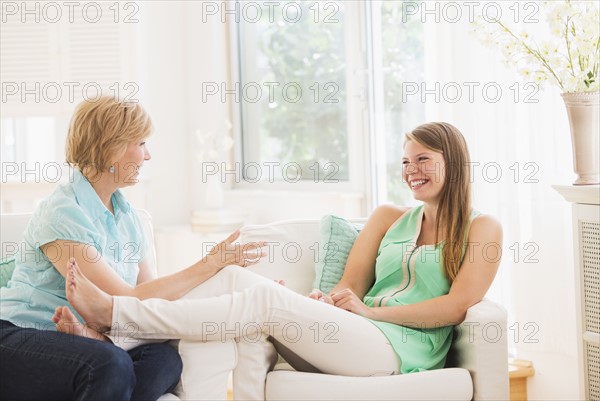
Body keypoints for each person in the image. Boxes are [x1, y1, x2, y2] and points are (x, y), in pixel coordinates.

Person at [53, 122, 503, 400]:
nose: (411, 171)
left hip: (397, 353)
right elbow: (346, 290)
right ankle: (125, 336)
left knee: (264, 303)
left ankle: (117, 318)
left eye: (423, 160)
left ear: (455, 164)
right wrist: (321, 304)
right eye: (406, 162)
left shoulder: (483, 229)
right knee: (237, 286)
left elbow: (456, 306)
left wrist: (371, 311)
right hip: (354, 335)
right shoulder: (388, 218)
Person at [0, 96, 262, 400]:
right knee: (112, 364)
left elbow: (149, 303)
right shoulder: (62, 212)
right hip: (21, 334)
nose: (147, 156)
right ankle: (95, 348)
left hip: (83, 345)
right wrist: (209, 263)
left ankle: (94, 345)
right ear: (111, 147)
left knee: (165, 359)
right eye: (140, 143)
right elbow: (123, 300)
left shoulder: (129, 219)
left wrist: (223, 285)